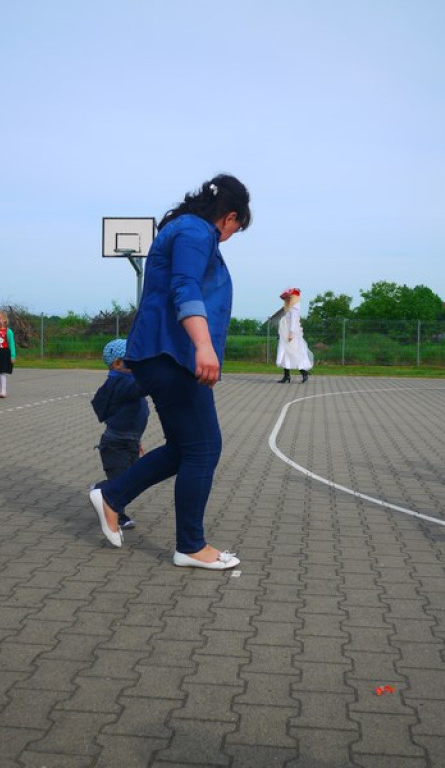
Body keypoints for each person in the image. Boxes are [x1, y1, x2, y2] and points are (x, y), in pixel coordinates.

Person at [87, 173, 251, 570]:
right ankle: (190, 546)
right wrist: (204, 345)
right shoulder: (196, 234)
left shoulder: (184, 228)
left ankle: (112, 496)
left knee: (185, 447)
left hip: (160, 353)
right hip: (171, 354)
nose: (231, 236)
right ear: (229, 216)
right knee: (205, 448)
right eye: (236, 228)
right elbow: (185, 287)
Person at [91, 338, 150, 530]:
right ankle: (118, 516)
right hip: (115, 445)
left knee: (130, 479)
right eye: (133, 361)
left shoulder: (123, 380)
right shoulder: (120, 383)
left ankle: (99, 490)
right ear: (118, 363)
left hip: (130, 441)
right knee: (121, 482)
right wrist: (156, 374)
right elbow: (142, 387)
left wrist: (138, 439)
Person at [275, 288, 313, 383]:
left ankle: (304, 373)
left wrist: (291, 334)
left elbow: (293, 323)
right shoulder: (290, 308)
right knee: (285, 354)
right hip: (285, 334)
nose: (287, 300)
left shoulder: (294, 309)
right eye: (286, 298)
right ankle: (286, 375)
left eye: (289, 298)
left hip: (290, 335)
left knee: (294, 353)